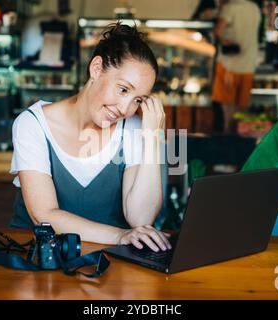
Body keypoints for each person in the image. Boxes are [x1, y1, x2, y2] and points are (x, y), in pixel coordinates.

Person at [10, 23, 171, 252]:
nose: (125, 108)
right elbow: (44, 216)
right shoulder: (32, 124)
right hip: (38, 259)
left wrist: (153, 138)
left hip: (107, 265)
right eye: (123, 89)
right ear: (96, 68)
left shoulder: (132, 128)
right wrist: (121, 236)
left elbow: (140, 219)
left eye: (138, 100)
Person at [212, 0, 261, 133]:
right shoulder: (254, 8)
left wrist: (223, 40)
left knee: (228, 111)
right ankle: (240, 140)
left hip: (229, 65)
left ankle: (228, 139)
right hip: (249, 65)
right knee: (242, 109)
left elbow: (217, 31)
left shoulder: (230, 8)